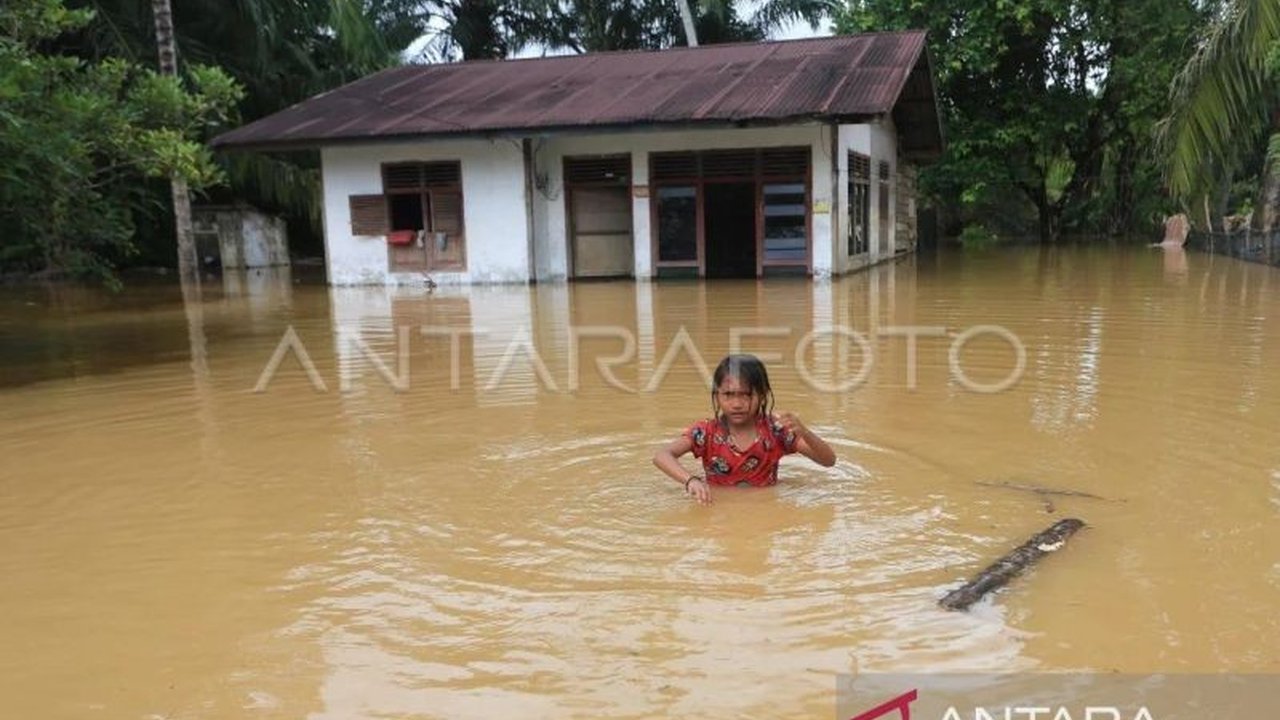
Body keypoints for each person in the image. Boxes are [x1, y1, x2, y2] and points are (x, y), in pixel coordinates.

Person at [653, 354, 837, 505]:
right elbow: (662, 455)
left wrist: (805, 432)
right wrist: (690, 480)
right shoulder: (706, 432)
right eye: (728, 395)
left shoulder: (776, 430)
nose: (737, 404)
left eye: (747, 395)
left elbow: (828, 461)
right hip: (718, 512)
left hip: (765, 511)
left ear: (763, 395)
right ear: (716, 396)